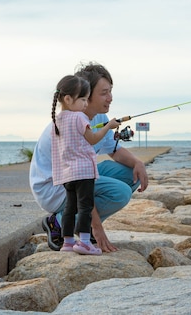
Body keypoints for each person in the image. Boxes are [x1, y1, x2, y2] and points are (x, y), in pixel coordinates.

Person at [30, 61, 149, 252]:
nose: (110, 98)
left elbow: (114, 149)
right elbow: (79, 181)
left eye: (110, 91)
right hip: (54, 188)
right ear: (85, 94)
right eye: (104, 93)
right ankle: (60, 223)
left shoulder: (99, 117)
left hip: (79, 174)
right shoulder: (70, 124)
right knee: (120, 192)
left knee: (131, 174)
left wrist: (138, 162)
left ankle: (78, 226)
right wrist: (97, 226)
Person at [51, 75, 120, 255]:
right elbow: (92, 139)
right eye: (82, 99)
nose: (85, 104)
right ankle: (84, 242)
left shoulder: (57, 120)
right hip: (83, 173)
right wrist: (108, 126)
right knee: (85, 208)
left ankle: (67, 242)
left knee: (69, 208)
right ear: (68, 99)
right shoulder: (80, 117)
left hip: (67, 174)